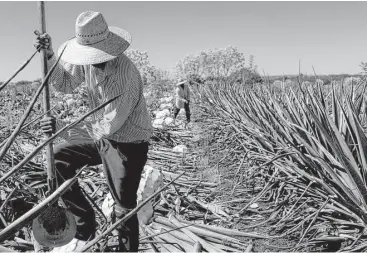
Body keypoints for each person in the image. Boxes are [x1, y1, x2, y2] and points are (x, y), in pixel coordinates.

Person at [35, 11, 153, 252]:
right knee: (57, 158)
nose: (94, 60)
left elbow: (109, 125)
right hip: (100, 135)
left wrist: (64, 129)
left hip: (127, 142)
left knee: (123, 207)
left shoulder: (125, 75)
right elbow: (65, 84)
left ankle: (126, 249)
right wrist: (48, 55)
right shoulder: (87, 62)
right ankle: (84, 222)